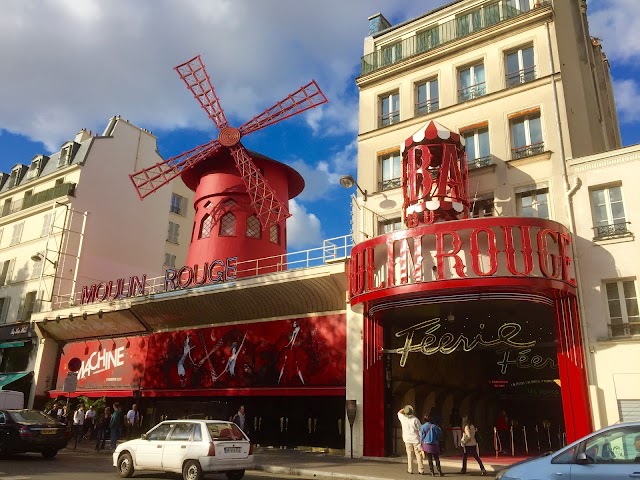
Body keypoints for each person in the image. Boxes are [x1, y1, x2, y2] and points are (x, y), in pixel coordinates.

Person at [397, 405, 424, 475]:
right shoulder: (415, 419)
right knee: (418, 455)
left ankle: (410, 469)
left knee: (409, 455)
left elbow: (399, 412)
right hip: (415, 439)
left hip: (407, 439)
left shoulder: (402, 418)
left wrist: (404, 409)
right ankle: (421, 469)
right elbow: (420, 429)